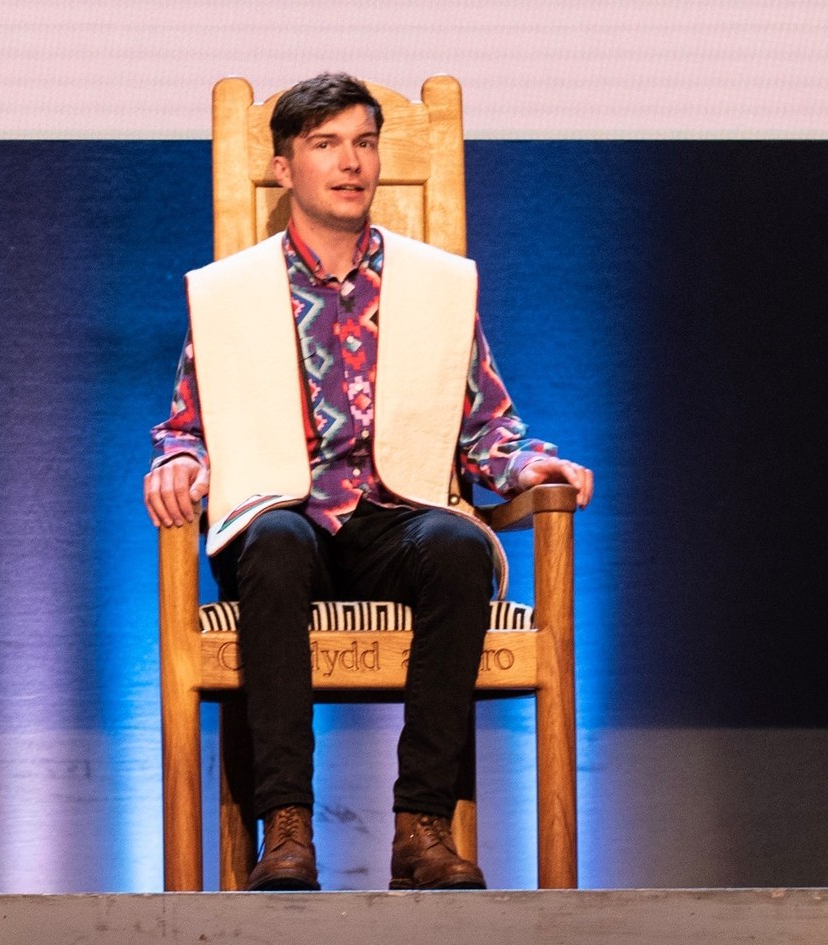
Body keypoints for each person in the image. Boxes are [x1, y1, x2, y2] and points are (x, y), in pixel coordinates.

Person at [146, 72, 593, 891]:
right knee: (275, 540)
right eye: (325, 145)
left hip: (397, 518)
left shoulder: (434, 285)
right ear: (286, 169)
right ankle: (284, 828)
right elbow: (186, 427)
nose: (350, 163)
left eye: (363, 142)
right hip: (283, 519)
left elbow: (488, 424)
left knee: (460, 542)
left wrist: (532, 466)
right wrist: (178, 463)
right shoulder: (232, 294)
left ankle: (420, 828)